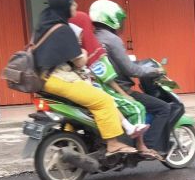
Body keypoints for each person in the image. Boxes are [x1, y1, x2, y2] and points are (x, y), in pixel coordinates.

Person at [33, 0, 136, 156]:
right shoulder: (64, 30)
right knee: (103, 101)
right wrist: (83, 49)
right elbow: (80, 61)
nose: (76, 5)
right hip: (60, 79)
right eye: (72, 3)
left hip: (43, 80)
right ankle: (113, 144)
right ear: (64, 6)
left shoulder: (44, 26)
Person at [68, 12, 160, 159]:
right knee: (137, 107)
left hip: (75, 91)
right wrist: (123, 94)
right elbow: (109, 76)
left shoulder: (66, 48)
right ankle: (140, 145)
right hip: (96, 90)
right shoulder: (91, 50)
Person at [90, 0, 173, 157]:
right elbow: (130, 69)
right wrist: (154, 70)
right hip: (118, 88)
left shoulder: (94, 37)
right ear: (112, 19)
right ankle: (145, 147)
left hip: (101, 86)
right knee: (163, 108)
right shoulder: (112, 40)